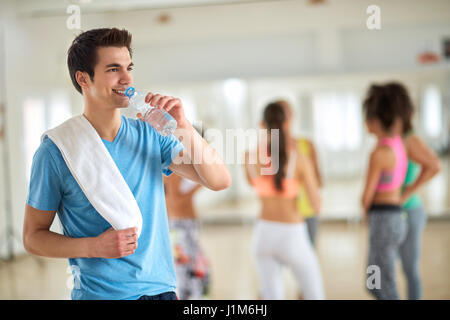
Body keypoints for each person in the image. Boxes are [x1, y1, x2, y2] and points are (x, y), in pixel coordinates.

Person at [22, 28, 231, 300]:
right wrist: (94, 247)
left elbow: (219, 180)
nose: (127, 78)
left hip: (163, 291)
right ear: (83, 78)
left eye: (128, 67)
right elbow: (32, 237)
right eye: (113, 69)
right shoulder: (56, 151)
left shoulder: (151, 134)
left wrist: (183, 126)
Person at [244, 101, 325, 300]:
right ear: (287, 122)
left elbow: (253, 184)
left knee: (271, 296)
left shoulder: (249, 157)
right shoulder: (299, 158)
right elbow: (316, 205)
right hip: (292, 234)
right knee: (314, 294)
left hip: (263, 234)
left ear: (262, 124)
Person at [393, 83, 441, 300]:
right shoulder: (392, 140)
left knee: (409, 269)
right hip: (391, 213)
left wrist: (408, 192)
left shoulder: (411, 139)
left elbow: (434, 165)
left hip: (409, 212)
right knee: (381, 270)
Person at [361, 83, 408, 300]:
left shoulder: (379, 153)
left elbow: (366, 196)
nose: (365, 123)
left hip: (383, 220)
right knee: (376, 280)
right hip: (394, 218)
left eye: (367, 118)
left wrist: (364, 211)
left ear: (376, 120)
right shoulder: (398, 143)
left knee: (380, 282)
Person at [164, 133, 211, 299]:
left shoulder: (182, 161)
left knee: (192, 264)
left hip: (183, 223)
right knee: (186, 267)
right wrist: (201, 183)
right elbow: (175, 198)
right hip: (180, 223)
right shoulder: (176, 161)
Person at [277, 100, 323, 247]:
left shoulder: (307, 145)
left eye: (287, 114)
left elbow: (319, 179)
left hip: (307, 211)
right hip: (283, 214)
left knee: (309, 254)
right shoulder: (268, 151)